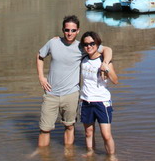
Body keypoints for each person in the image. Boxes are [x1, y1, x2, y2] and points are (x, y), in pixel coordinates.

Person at [36, 15, 112, 147]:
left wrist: (105, 63)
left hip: (71, 94)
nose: (69, 33)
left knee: (69, 126)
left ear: (78, 31)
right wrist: (41, 77)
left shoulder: (83, 47)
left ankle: (68, 157)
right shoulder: (53, 43)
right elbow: (39, 56)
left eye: (73, 30)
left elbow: (107, 49)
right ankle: (43, 158)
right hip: (51, 93)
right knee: (44, 129)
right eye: (67, 30)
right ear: (62, 30)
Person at [79, 31, 118, 160]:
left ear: (97, 44)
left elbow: (115, 80)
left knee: (106, 134)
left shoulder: (104, 60)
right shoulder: (83, 59)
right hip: (86, 101)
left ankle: (111, 157)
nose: (89, 46)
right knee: (88, 132)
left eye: (92, 43)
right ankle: (90, 153)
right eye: (86, 44)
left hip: (102, 102)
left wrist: (105, 68)